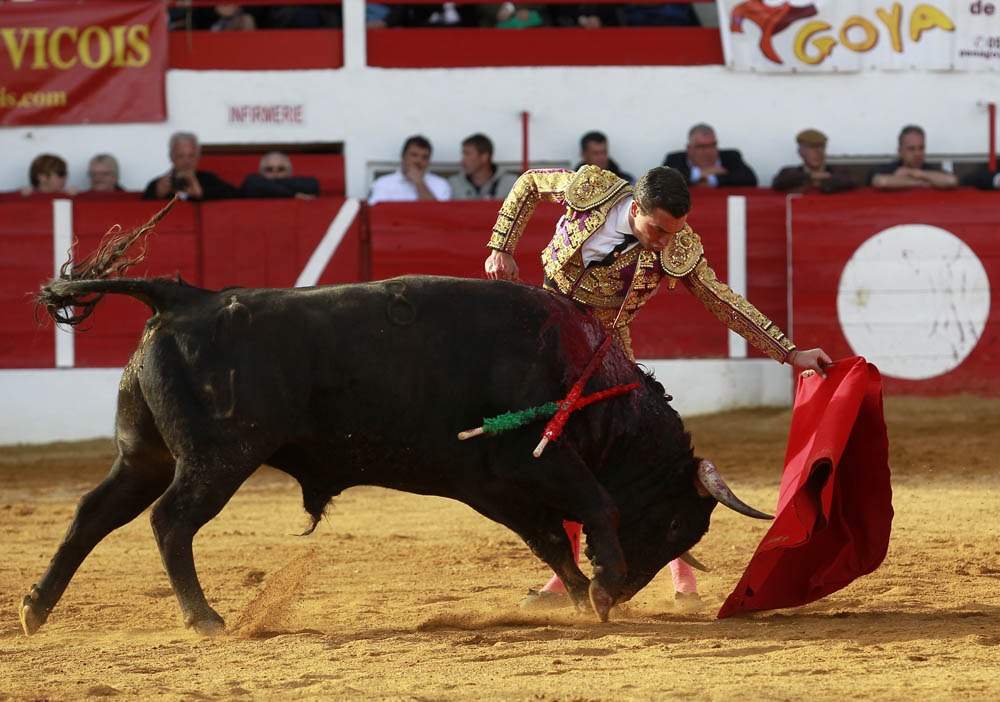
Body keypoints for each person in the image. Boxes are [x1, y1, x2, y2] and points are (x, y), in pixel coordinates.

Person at [484, 164, 830, 610]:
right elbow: (530, 182)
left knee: (634, 462)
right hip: (550, 330)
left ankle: (668, 570)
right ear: (635, 210)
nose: (666, 241)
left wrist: (789, 352)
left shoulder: (678, 247)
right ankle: (566, 576)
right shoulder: (590, 187)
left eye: (675, 231)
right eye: (658, 229)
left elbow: (721, 299)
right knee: (554, 452)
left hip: (606, 348)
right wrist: (501, 246)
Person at [142, 131, 239, 201]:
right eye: (180, 156)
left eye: (191, 155)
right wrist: (157, 195)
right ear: (171, 157)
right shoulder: (159, 184)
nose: (186, 161)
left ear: (197, 157)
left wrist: (202, 192)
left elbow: (236, 195)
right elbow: (142, 209)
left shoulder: (208, 180)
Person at [663, 123, 758, 188]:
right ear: (689, 148)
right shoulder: (674, 159)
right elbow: (661, 181)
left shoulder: (731, 157)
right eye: (701, 147)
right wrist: (699, 173)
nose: (708, 152)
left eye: (712, 145)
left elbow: (750, 179)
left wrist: (712, 180)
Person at [867, 125, 958, 191]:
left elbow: (951, 181)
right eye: (911, 149)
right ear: (900, 151)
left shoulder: (931, 169)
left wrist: (913, 173)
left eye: (921, 148)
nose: (917, 153)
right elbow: (882, 182)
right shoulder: (889, 169)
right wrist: (925, 182)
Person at [368, 135, 451, 205]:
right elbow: (376, 214)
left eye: (424, 157)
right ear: (402, 156)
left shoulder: (441, 185)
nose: (419, 161)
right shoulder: (383, 184)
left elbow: (438, 215)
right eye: (414, 155)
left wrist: (420, 183)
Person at [771, 129, 856, 194]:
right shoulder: (788, 172)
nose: (819, 153)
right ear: (800, 152)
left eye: (822, 147)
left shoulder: (840, 172)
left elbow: (850, 181)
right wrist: (811, 177)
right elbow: (780, 183)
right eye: (812, 148)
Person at [448, 133, 519, 200]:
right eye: (463, 154)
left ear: (484, 157)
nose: (463, 160)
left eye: (467, 154)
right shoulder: (453, 184)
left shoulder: (511, 184)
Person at [240, 151, 320, 199]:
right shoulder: (253, 184)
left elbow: (312, 184)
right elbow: (252, 183)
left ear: (290, 172)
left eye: (281, 169)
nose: (275, 174)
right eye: (269, 170)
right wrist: (294, 194)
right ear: (261, 173)